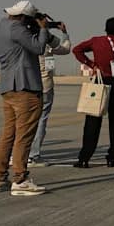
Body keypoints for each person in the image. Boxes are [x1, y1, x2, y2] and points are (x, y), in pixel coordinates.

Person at [0, 0, 51, 195]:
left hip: (8, 86)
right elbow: (38, 48)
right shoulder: (18, 29)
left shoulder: (3, 26)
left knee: (8, 134)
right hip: (25, 87)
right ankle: (20, 179)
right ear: (25, 17)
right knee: (24, 136)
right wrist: (42, 28)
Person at [72, 18, 114, 168]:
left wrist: (91, 64)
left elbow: (77, 50)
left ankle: (85, 157)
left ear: (105, 29)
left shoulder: (96, 41)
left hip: (100, 82)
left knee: (93, 121)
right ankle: (113, 156)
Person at [28, 23, 71, 167]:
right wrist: (64, 33)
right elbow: (65, 49)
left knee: (23, 120)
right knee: (41, 120)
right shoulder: (47, 45)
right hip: (45, 87)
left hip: (28, 86)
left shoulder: (26, 43)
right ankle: (34, 155)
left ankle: (18, 153)